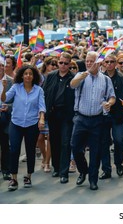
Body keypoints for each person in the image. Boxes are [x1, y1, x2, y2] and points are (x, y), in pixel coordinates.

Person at [70, 51, 116, 191]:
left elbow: (112, 96)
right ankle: (83, 170)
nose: (88, 63)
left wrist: (109, 103)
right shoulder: (81, 76)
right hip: (81, 118)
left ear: (98, 62)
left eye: (91, 61)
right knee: (75, 147)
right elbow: (72, 84)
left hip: (97, 119)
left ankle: (93, 180)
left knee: (95, 151)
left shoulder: (106, 79)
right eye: (87, 61)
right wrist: (80, 77)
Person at [1, 65, 46, 191]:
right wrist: (4, 88)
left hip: (32, 124)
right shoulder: (16, 87)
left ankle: (28, 176)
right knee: (14, 150)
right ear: (21, 75)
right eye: (25, 73)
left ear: (34, 76)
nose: (28, 76)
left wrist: (41, 119)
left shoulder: (38, 90)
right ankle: (13, 178)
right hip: (16, 123)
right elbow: (4, 99)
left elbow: (42, 107)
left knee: (30, 150)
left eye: (30, 74)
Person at [43, 52, 75, 184]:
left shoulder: (73, 78)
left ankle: (64, 172)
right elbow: (44, 93)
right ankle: (56, 167)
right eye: (60, 63)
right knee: (54, 141)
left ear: (69, 64)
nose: (62, 65)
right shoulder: (50, 76)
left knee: (65, 142)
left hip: (67, 114)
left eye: (65, 63)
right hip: (53, 113)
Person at [99, 54, 123, 179]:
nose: (110, 64)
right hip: (103, 115)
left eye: (112, 61)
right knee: (104, 142)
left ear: (115, 63)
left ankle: (119, 164)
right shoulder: (100, 78)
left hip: (118, 115)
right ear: (104, 63)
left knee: (118, 140)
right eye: (107, 61)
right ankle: (106, 169)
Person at [38, 56, 58, 173]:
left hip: (51, 111)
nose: (54, 66)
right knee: (39, 138)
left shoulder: (56, 77)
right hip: (39, 110)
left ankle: (47, 162)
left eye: (56, 64)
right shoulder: (39, 78)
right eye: (52, 64)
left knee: (50, 137)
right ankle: (45, 157)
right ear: (46, 65)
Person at [0, 60, 13, 181]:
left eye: (2, 65)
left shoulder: (10, 81)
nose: (0, 68)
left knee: (5, 144)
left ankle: (6, 170)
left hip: (5, 117)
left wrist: (8, 107)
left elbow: (15, 100)